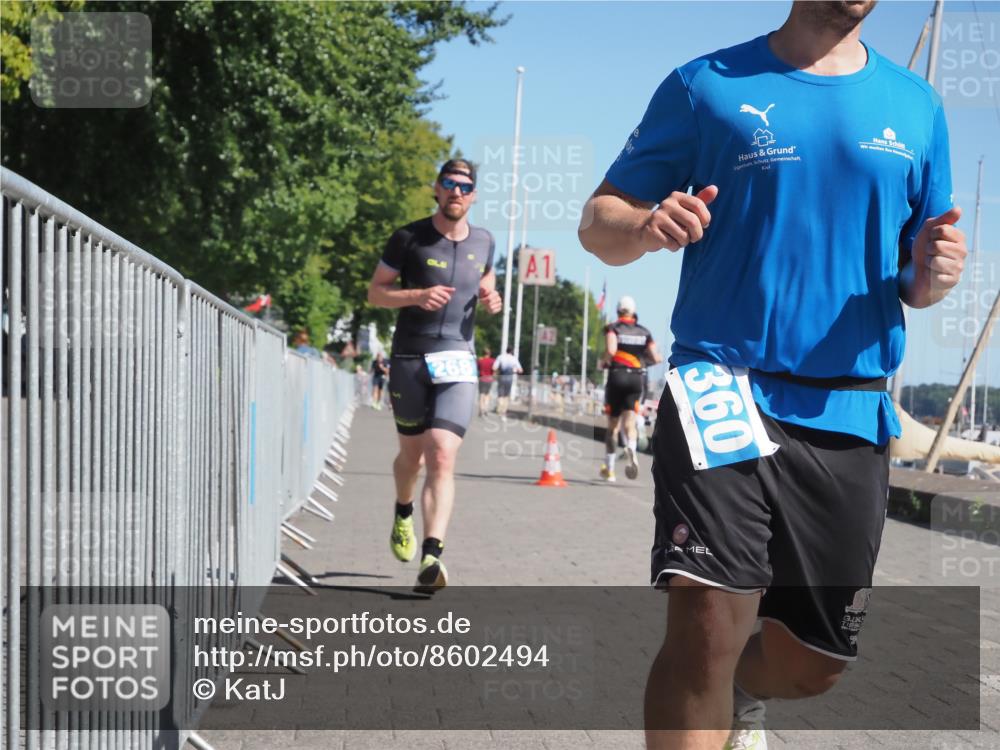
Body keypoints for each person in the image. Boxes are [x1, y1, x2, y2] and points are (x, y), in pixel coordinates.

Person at [578, 3, 967, 749]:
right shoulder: (708, 85)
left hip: (849, 408)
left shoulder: (916, 107)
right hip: (721, 382)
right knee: (704, 624)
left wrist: (935, 278)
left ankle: (745, 693)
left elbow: (918, 273)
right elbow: (599, 223)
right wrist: (645, 224)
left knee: (814, 661)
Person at [367, 159, 502, 594]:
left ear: (474, 195)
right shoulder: (408, 237)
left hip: (458, 359)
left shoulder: (485, 241)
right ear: (437, 189)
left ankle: (432, 555)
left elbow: (485, 277)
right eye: (449, 184)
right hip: (410, 357)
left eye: (465, 186)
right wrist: (417, 295)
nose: (456, 192)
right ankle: (403, 511)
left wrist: (492, 294)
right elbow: (376, 292)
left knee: (442, 452)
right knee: (411, 458)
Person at [599, 296, 662, 482]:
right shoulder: (645, 332)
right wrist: (641, 364)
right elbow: (657, 358)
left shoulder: (613, 328)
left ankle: (609, 470)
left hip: (617, 376)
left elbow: (611, 350)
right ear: (633, 312)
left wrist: (604, 361)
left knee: (613, 427)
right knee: (630, 423)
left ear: (618, 311)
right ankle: (632, 449)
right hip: (636, 378)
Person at [492, 347, 524, 422]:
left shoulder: (500, 357)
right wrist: (514, 370)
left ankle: (499, 409)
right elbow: (520, 370)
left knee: (500, 394)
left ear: (506, 350)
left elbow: (494, 367)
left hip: (501, 377)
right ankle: (503, 412)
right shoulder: (514, 359)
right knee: (506, 396)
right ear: (512, 351)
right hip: (509, 378)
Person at [477, 347, 496, 417]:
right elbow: (494, 370)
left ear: (483, 353)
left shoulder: (480, 360)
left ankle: (481, 410)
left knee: (481, 395)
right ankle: (486, 409)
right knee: (487, 395)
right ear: (490, 353)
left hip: (482, 379)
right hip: (489, 379)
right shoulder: (493, 361)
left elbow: (478, 369)